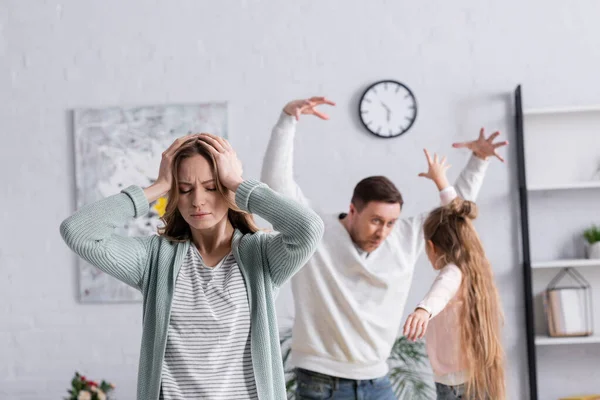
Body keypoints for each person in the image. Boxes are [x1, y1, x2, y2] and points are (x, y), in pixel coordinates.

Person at [261, 97, 508, 399]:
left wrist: (478, 162)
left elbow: (452, 215)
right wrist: (287, 120)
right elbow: (276, 188)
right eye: (376, 221)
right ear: (353, 211)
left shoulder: (402, 236)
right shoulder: (317, 232)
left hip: (377, 380)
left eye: (391, 222)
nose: (383, 232)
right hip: (321, 380)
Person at [60, 133, 325, 400]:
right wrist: (157, 186)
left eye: (211, 187)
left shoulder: (261, 255)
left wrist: (238, 183)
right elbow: (77, 231)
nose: (197, 200)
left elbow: (309, 229)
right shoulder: (155, 258)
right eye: (185, 189)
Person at [403, 192, 505, 400]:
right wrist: (441, 183)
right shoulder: (476, 269)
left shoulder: (453, 272)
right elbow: (458, 213)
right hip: (476, 378)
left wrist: (424, 310)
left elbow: (442, 289)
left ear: (431, 246)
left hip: (453, 386)